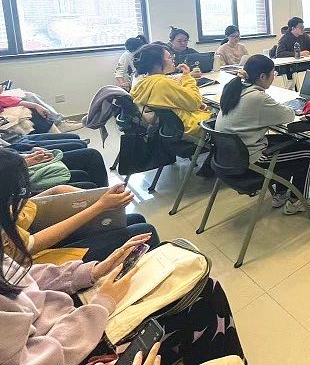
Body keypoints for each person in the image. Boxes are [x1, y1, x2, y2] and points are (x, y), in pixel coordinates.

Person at [0, 152, 245, 365]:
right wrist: (102, 304)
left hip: (66, 318)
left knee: (197, 285)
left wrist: (91, 272)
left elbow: (22, 276)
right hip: (75, 339)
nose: (16, 214)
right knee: (203, 296)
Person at [1, 153, 159, 263]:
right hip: (33, 266)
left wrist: (58, 192)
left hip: (23, 236)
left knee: (135, 219)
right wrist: (99, 206)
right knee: (145, 231)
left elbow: (18, 210)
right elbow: (31, 245)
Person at [215, 55, 310, 215]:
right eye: (273, 74)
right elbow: (288, 115)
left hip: (229, 158)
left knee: (289, 140)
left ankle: (280, 194)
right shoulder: (257, 97)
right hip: (249, 162)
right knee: (306, 151)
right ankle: (297, 202)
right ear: (262, 76)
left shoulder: (236, 90)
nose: (273, 77)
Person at [130, 43, 209, 138]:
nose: (173, 60)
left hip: (168, 129)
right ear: (157, 63)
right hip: (188, 127)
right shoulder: (163, 83)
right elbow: (195, 102)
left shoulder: (142, 83)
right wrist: (187, 77)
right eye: (169, 58)